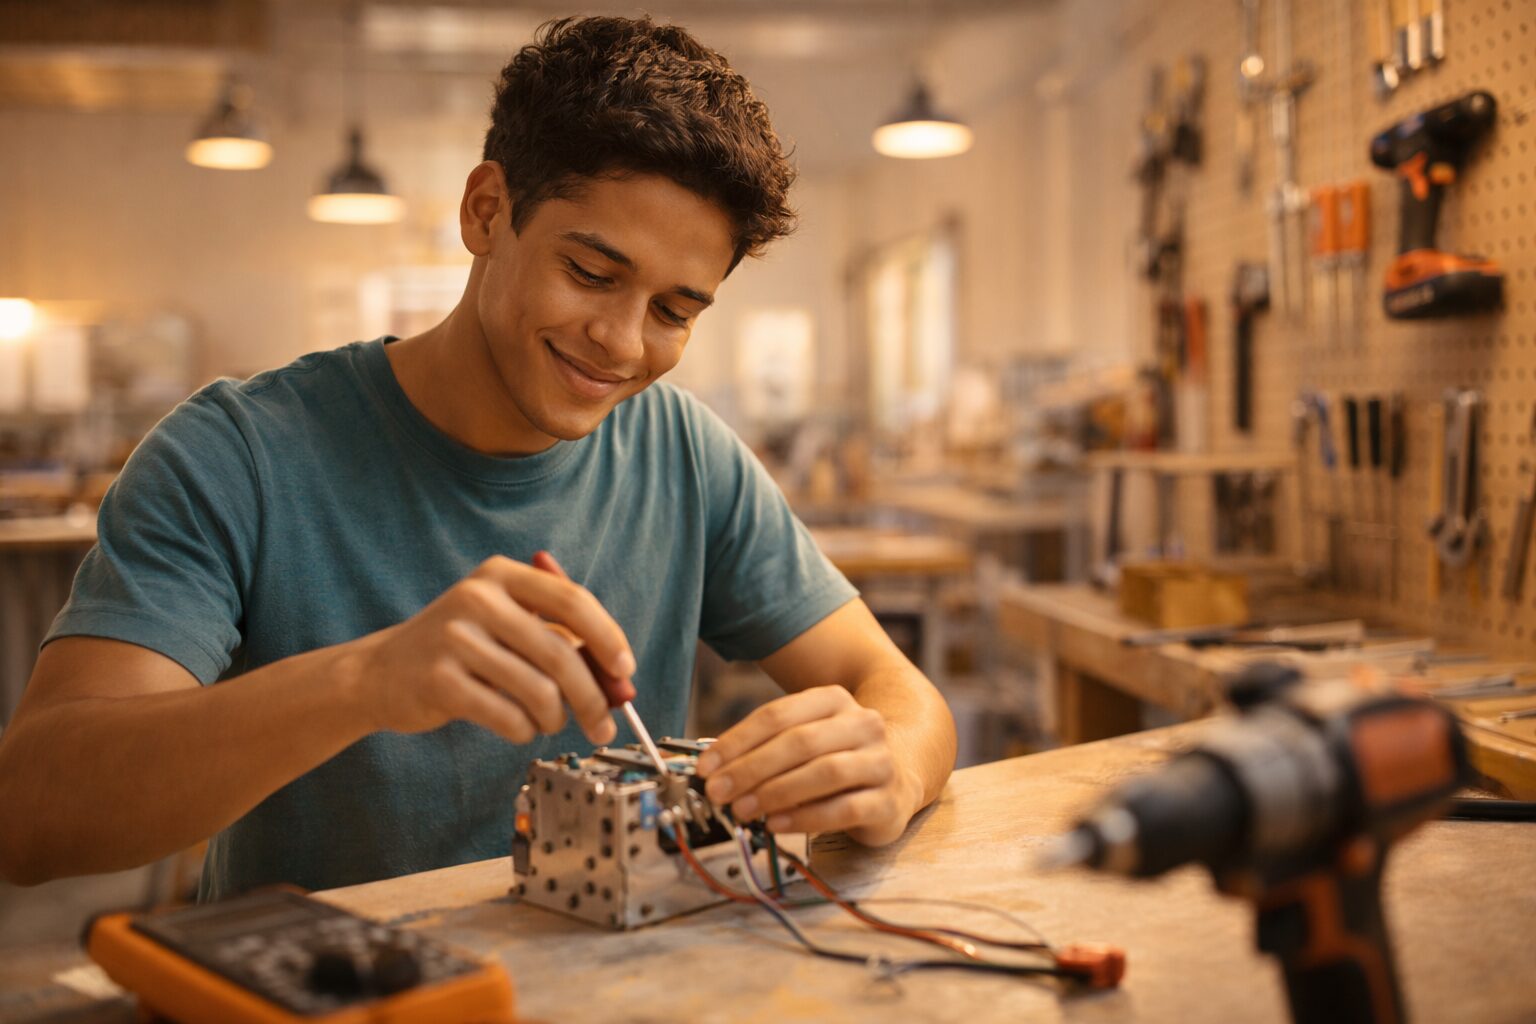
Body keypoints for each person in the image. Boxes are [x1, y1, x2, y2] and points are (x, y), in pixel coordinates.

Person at [0, 16, 955, 899]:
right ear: (487, 211)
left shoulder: (683, 452)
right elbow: (35, 812)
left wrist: (884, 763)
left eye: (673, 311)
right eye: (591, 273)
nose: (624, 343)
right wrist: (365, 680)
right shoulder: (236, 456)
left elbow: (904, 694)